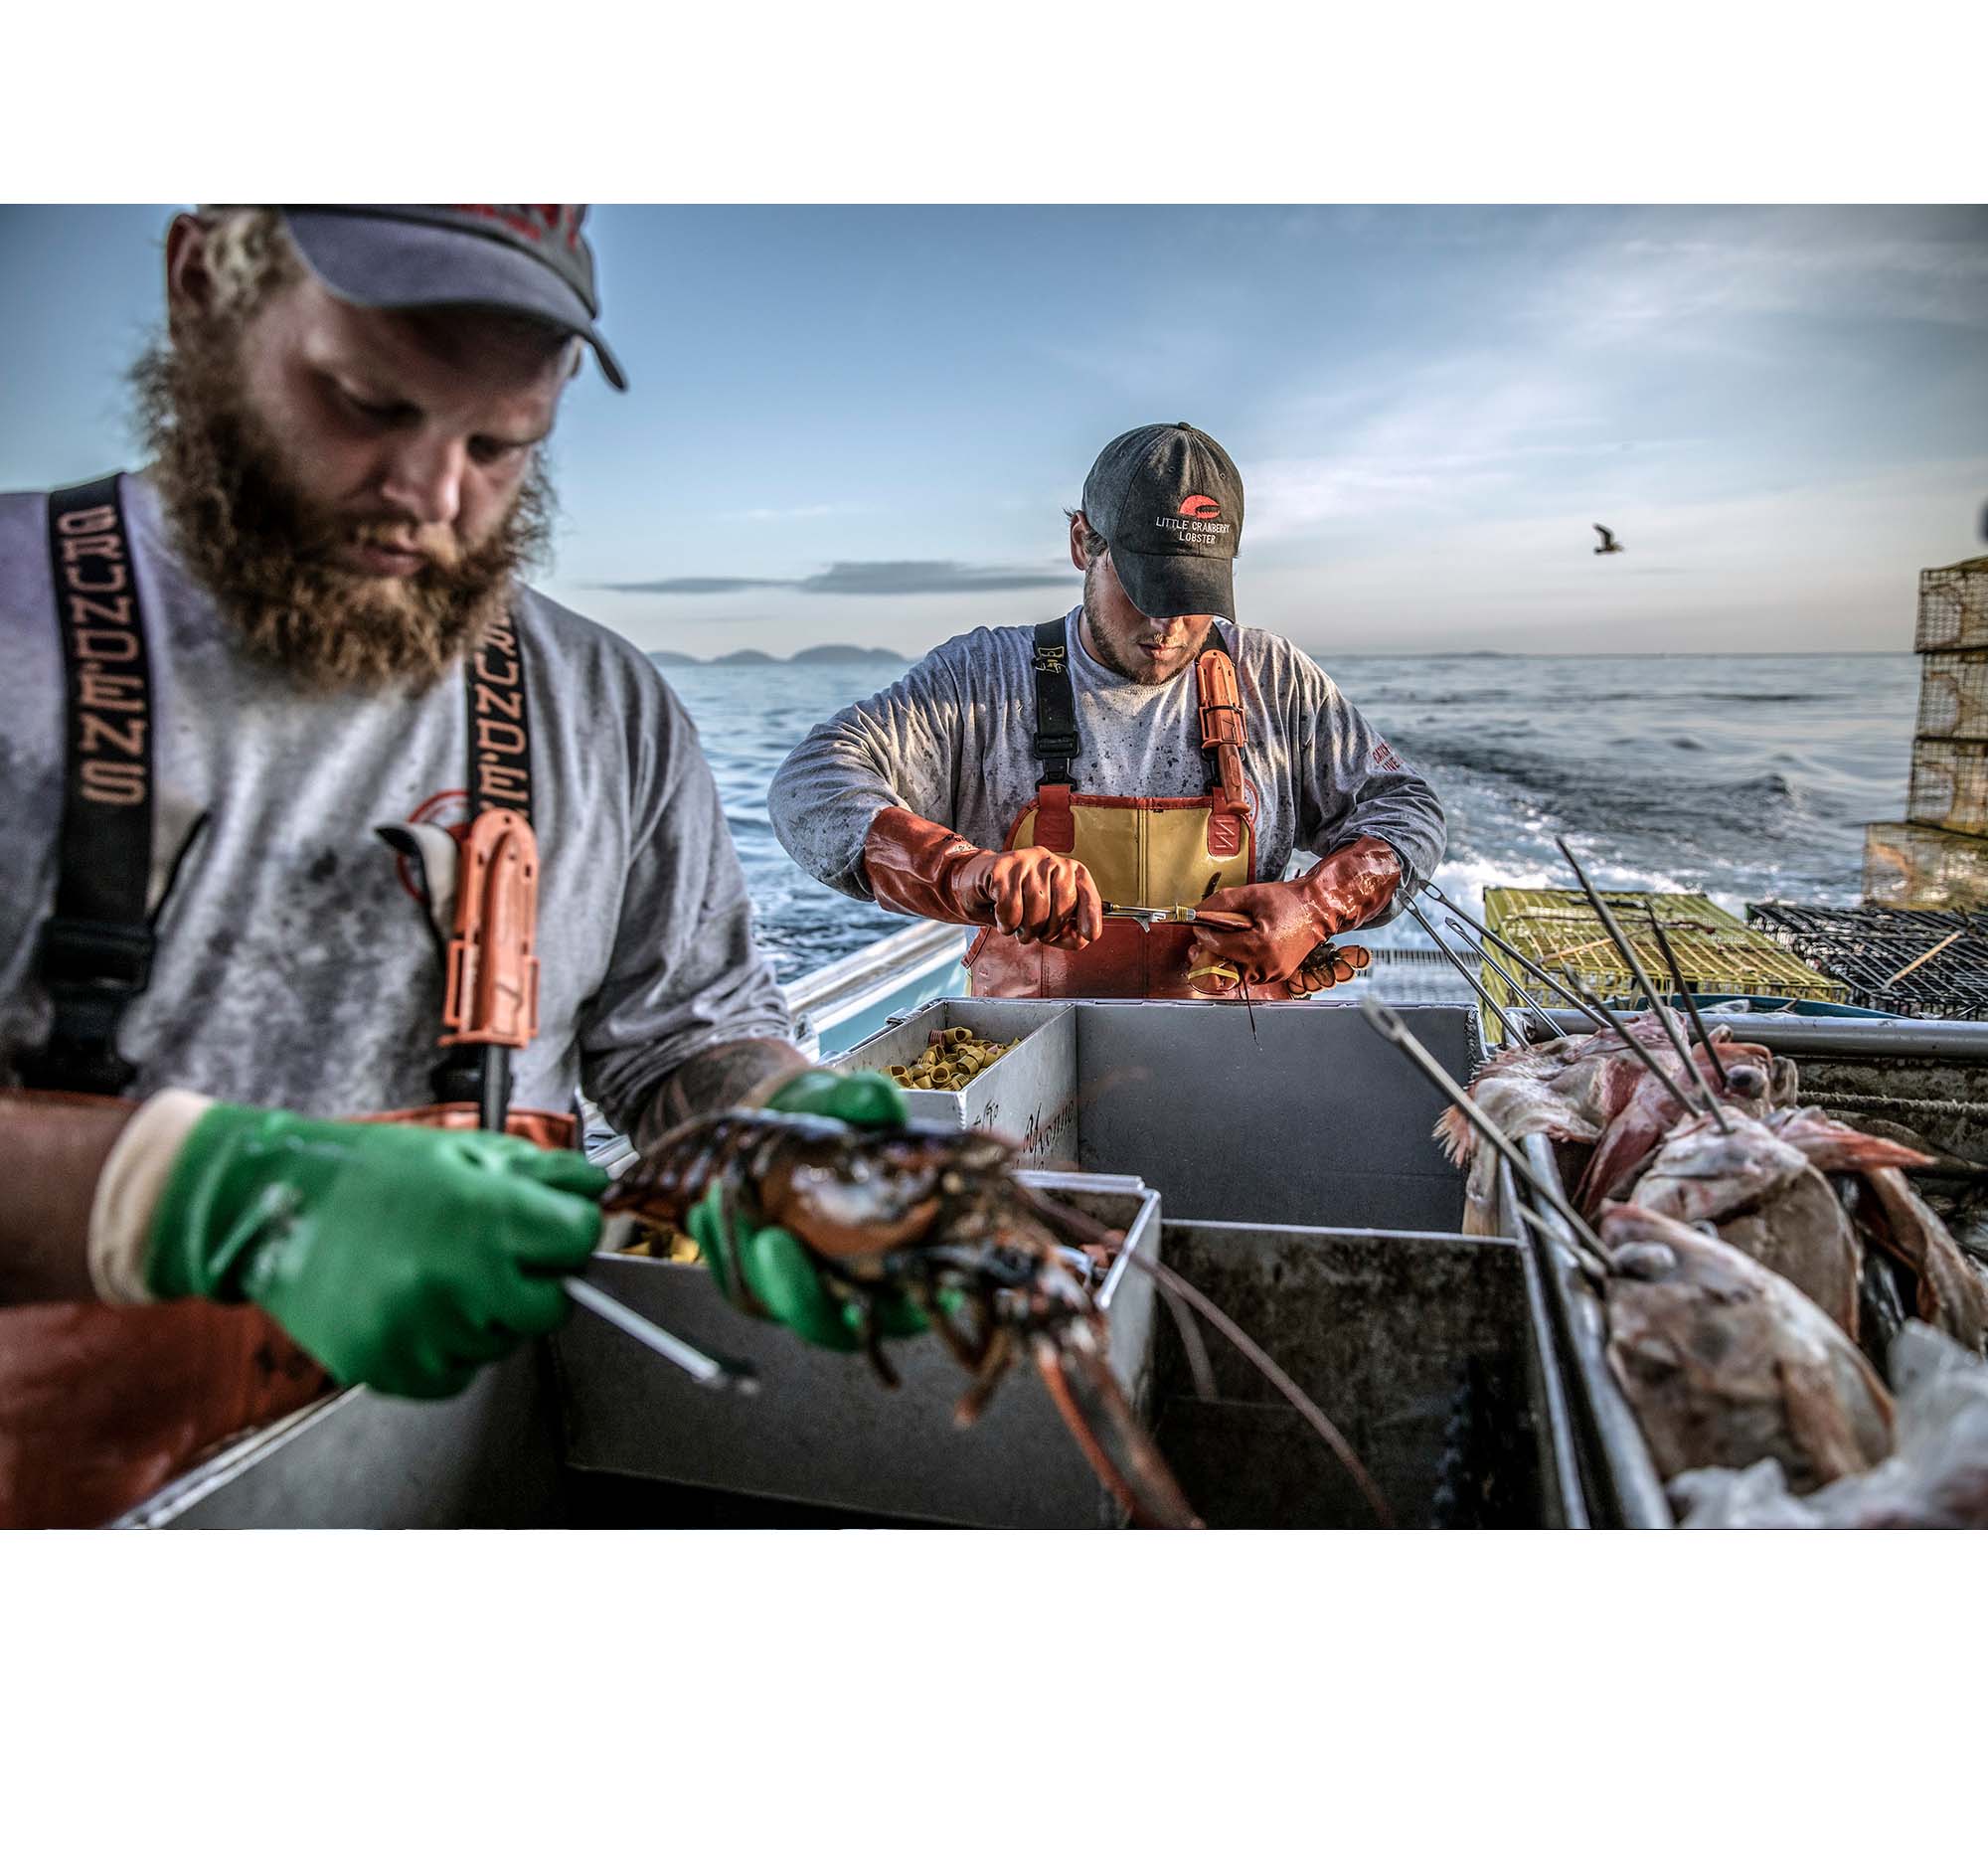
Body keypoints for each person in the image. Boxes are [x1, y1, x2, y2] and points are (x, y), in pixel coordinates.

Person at [0, 205, 883, 1527]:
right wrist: (197, 1195)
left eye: (499, 446)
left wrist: (768, 1132)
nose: (430, 497)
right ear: (200, 288)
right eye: (363, 402)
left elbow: (680, 1045)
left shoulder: (608, 711)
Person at [769, 422, 1446, 999]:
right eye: (1146, 587)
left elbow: (1407, 807)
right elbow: (811, 786)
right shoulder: (978, 679)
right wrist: (963, 871)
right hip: (1027, 1052)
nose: (1169, 624)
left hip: (1237, 1046)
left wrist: (1319, 904)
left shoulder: (1275, 679)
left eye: (1194, 592)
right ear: (1081, 544)